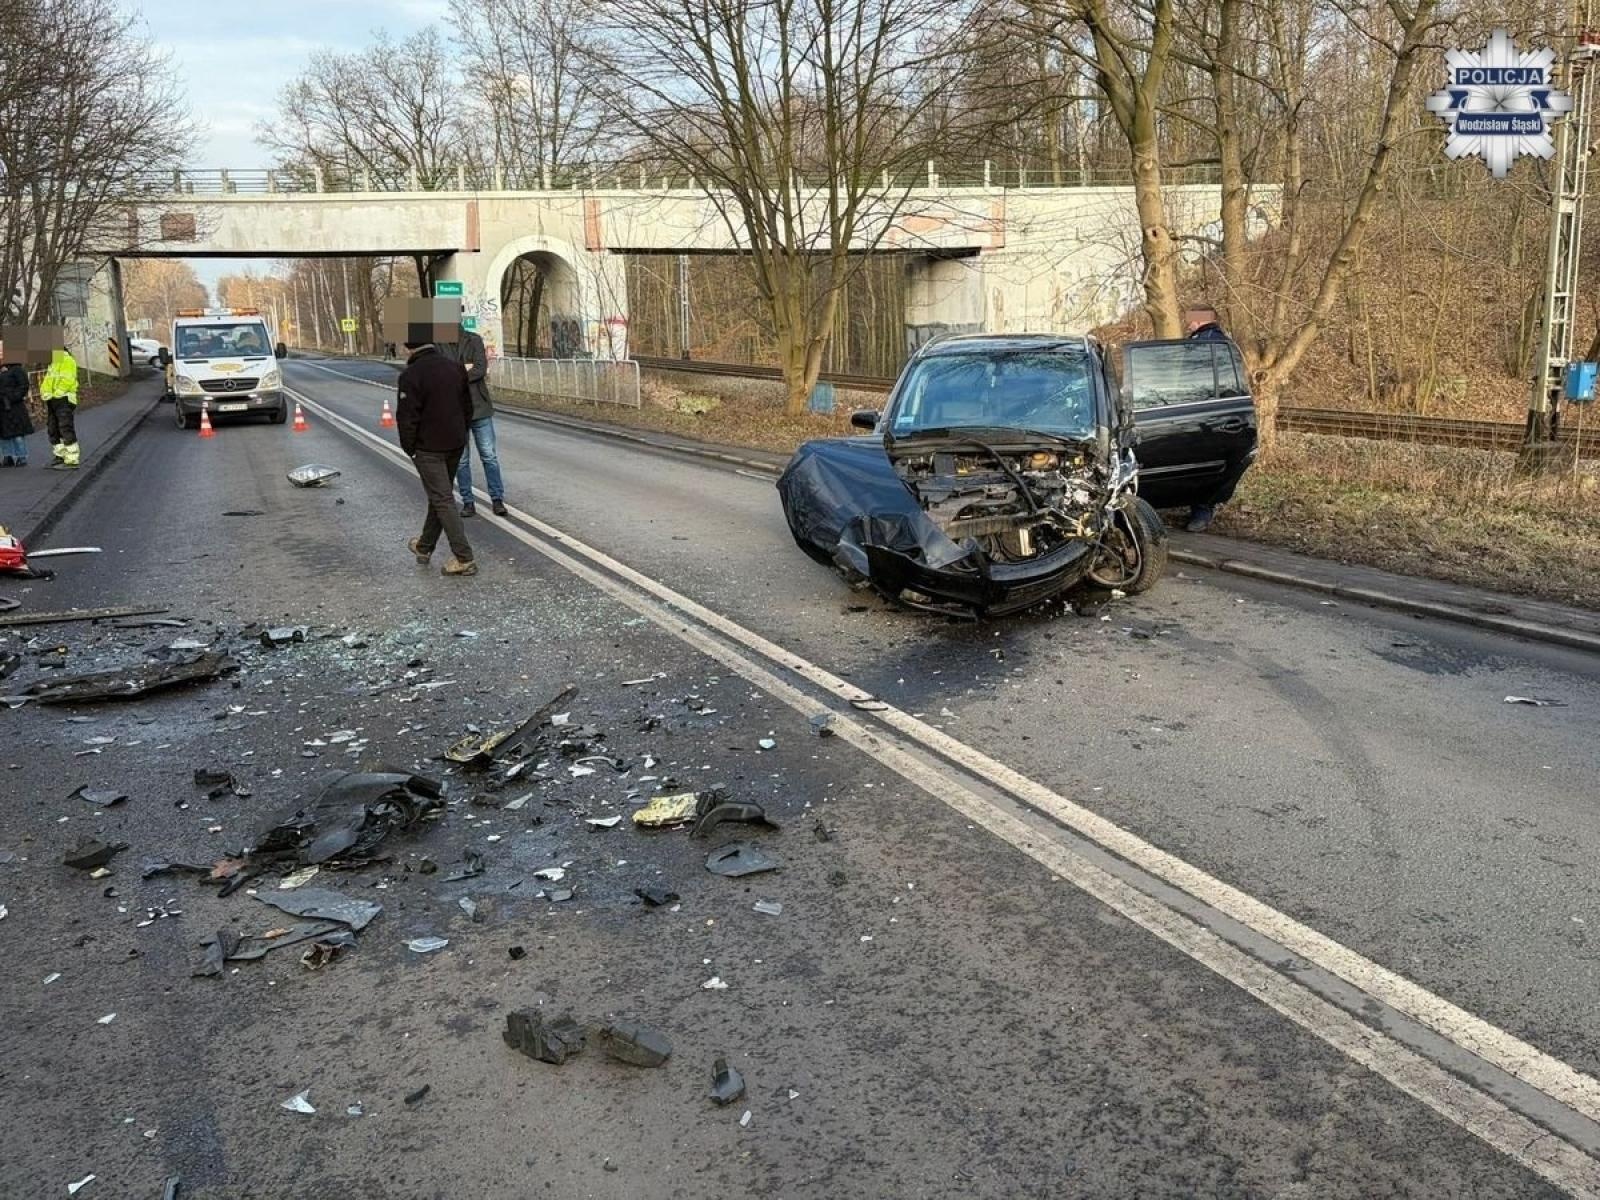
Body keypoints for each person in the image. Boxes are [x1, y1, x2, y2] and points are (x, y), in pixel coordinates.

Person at [396, 335, 477, 576]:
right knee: (439, 495)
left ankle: (464, 557)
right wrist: (461, 433)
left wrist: (409, 448)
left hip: (428, 448)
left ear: (408, 347)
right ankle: (424, 546)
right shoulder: (455, 368)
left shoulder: (410, 376)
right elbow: (467, 407)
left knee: (442, 499)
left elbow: (407, 418)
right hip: (455, 443)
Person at [1181, 303, 1244, 532]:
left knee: (1201, 463)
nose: (1187, 322)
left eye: (1190, 318)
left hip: (1203, 414)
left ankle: (1201, 511)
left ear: (1199, 319)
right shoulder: (1222, 342)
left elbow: (1192, 381)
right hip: (1213, 413)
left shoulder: (1204, 344)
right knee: (1204, 463)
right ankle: (1199, 509)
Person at [438, 324, 507, 517]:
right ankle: (468, 502)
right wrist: (464, 369)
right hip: (455, 410)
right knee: (461, 460)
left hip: (480, 408)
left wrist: (455, 373)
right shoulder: (439, 344)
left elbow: (480, 369)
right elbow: (441, 373)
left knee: (489, 456)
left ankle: (497, 499)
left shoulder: (474, 339)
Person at [41, 343, 79, 470]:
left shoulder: (67, 360)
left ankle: (72, 460)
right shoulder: (54, 363)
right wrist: (45, 393)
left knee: (65, 428)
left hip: (64, 399)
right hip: (53, 400)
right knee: (53, 429)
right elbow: (47, 381)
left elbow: (68, 380)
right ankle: (60, 456)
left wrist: (57, 394)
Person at [0, 356, 33, 466]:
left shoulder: (17, 369)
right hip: (1, 406)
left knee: (18, 433)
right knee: (3, 434)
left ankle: (21, 456)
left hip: (14, 406)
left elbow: (24, 386)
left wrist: (13, 397)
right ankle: (7, 456)